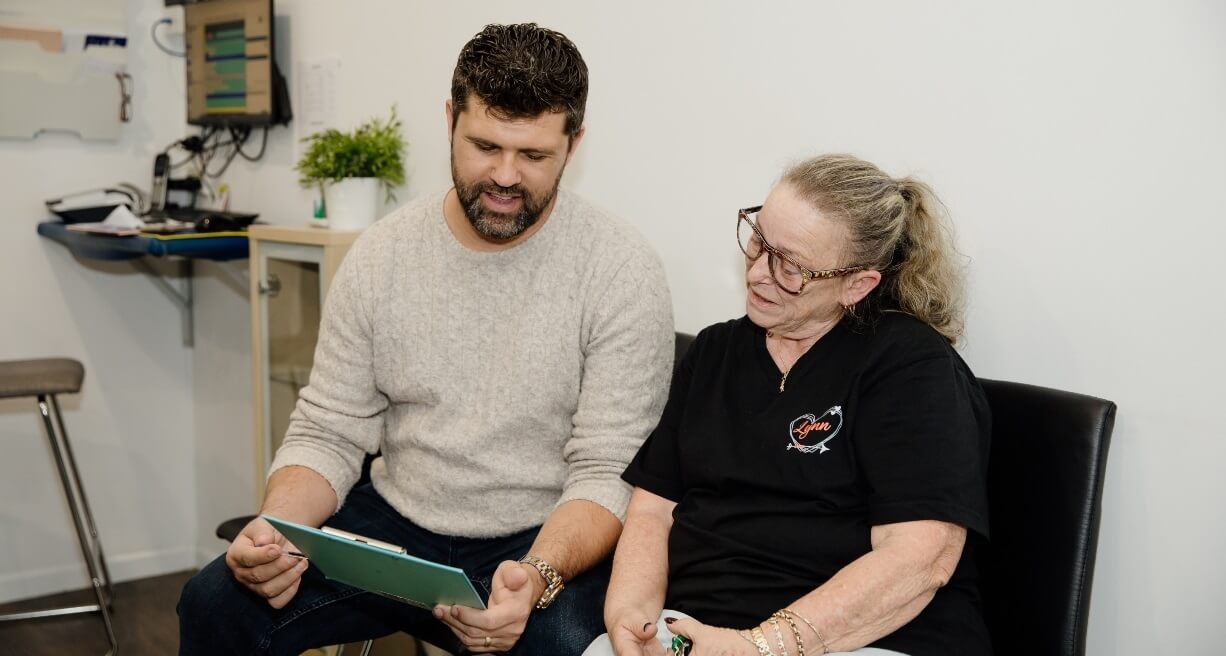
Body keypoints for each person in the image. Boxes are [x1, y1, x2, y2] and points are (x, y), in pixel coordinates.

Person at [178, 23, 674, 656]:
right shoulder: (382, 254)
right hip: (393, 529)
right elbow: (329, 429)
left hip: (542, 538)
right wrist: (276, 531)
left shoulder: (620, 268)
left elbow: (609, 471)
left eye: (534, 155)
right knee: (215, 603)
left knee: (572, 647)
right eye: (484, 145)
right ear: (448, 120)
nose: (505, 175)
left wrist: (538, 575)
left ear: (573, 145)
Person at [589, 154, 991, 656]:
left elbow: (920, 559)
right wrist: (630, 615)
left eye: (791, 267)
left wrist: (756, 647)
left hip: (858, 641)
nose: (758, 273)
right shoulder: (715, 353)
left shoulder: (913, 368)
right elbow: (653, 511)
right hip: (701, 633)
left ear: (857, 284)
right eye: (758, 241)